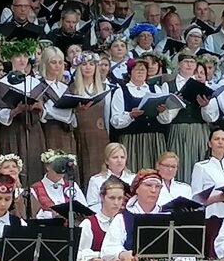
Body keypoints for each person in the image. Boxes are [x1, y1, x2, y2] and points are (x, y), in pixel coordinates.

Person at [0, 39, 47, 184]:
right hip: (13, 129)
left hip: (33, 128)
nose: (22, 60)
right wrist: (16, 110)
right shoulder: (3, 83)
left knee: (34, 166)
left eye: (25, 56)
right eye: (18, 56)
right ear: (11, 59)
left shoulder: (35, 82)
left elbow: (43, 113)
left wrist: (39, 108)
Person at [164, 51, 219, 183]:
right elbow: (165, 117)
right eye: (186, 62)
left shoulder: (206, 87)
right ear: (179, 64)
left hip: (199, 131)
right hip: (179, 130)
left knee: (199, 163)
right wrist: (177, 101)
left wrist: (205, 106)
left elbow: (212, 117)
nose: (189, 65)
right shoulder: (168, 85)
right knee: (179, 163)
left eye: (192, 62)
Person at [109, 57, 170, 172]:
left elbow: (165, 120)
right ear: (130, 72)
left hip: (154, 139)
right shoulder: (121, 90)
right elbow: (115, 121)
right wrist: (130, 116)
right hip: (132, 140)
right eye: (137, 69)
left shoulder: (155, 89)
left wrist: (162, 111)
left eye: (143, 70)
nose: (140, 72)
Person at [190, 128, 224, 257]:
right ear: (210, 143)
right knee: (214, 255)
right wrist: (219, 197)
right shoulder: (201, 166)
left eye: (223, 139)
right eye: (216, 139)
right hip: (214, 217)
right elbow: (196, 199)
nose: (220, 142)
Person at [69, 51, 109, 188]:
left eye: (91, 64)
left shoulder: (104, 88)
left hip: (101, 136)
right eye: (84, 64)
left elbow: (108, 115)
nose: (88, 67)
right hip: (81, 135)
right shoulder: (72, 89)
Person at [39, 46, 76, 154]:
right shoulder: (39, 85)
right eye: (53, 62)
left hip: (67, 132)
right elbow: (45, 112)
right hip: (50, 131)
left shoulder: (64, 87)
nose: (57, 66)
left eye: (60, 63)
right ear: (45, 64)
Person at [86, 142, 135, 210]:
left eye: (122, 157)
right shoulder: (96, 180)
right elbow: (92, 206)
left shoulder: (133, 178)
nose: (119, 160)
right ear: (107, 160)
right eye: (115, 157)